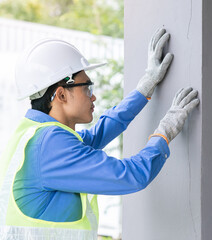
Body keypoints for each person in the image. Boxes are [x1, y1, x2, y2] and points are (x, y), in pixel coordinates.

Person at [0, 28, 199, 239]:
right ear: (61, 95)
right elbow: (131, 176)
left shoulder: (36, 136)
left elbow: (97, 135)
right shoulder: (50, 145)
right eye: (87, 88)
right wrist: (165, 132)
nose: (93, 97)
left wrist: (145, 87)